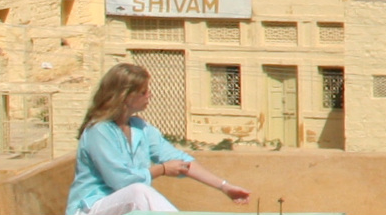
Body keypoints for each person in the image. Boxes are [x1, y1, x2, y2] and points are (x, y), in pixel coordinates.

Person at [68, 63, 253, 214]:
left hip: (126, 206)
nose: (149, 96)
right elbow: (121, 182)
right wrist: (161, 169)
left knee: (142, 194)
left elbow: (180, 160)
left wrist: (224, 187)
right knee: (139, 192)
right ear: (125, 96)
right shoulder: (99, 131)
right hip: (92, 207)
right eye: (143, 92)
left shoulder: (140, 128)